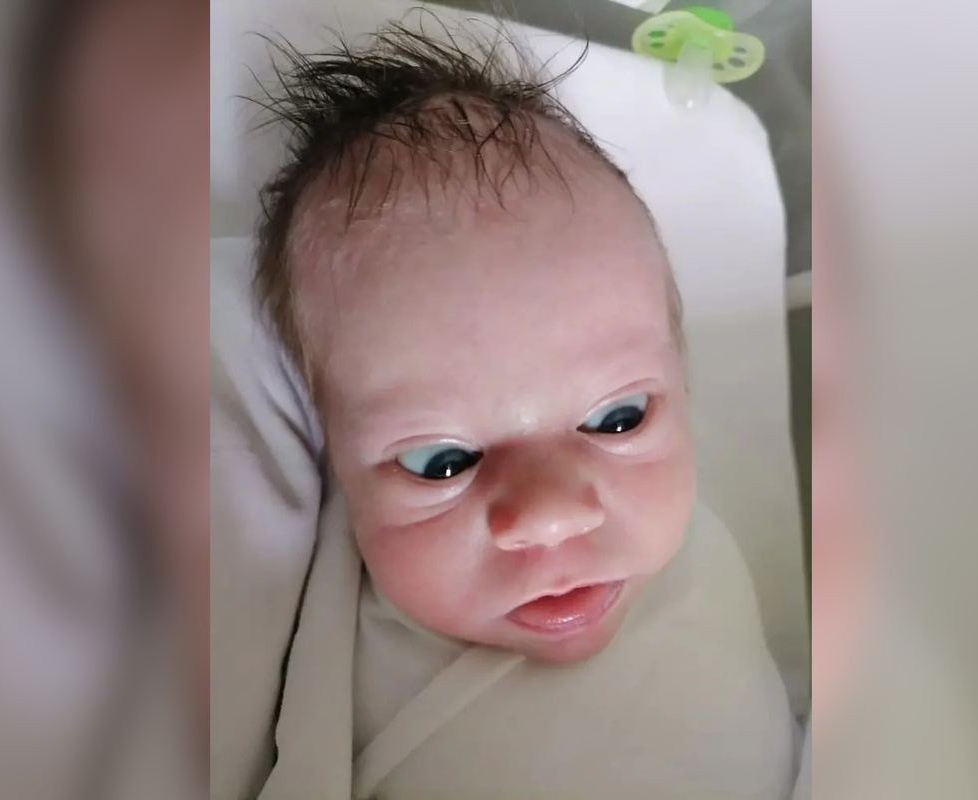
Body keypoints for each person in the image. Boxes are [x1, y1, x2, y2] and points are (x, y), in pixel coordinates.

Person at [250, 23, 797, 800]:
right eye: (441, 461)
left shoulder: (722, 563)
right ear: (330, 449)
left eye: (618, 419)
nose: (549, 517)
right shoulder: (313, 625)